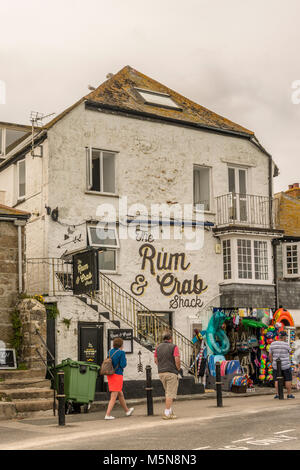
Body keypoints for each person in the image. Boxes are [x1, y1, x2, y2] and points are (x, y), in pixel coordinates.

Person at [104, 337, 134, 420]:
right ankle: (107, 414)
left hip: (110, 374)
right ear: (121, 345)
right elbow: (123, 364)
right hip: (117, 375)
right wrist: (125, 359)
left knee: (120, 393)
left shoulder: (110, 351)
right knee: (114, 395)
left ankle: (127, 411)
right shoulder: (121, 353)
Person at [154, 331, 181, 420]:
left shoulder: (157, 347)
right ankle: (166, 412)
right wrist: (178, 368)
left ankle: (170, 412)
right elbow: (177, 359)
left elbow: (156, 360)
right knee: (170, 393)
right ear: (171, 339)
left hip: (161, 373)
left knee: (168, 392)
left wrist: (161, 366)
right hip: (171, 372)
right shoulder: (174, 347)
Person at [269, 330, 295, 399]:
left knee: (276, 380)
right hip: (286, 365)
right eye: (285, 337)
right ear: (283, 337)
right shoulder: (286, 344)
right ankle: (289, 394)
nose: (286, 338)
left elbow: (270, 355)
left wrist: (272, 362)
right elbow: (290, 352)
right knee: (288, 379)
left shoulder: (272, 344)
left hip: (276, 365)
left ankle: (277, 394)